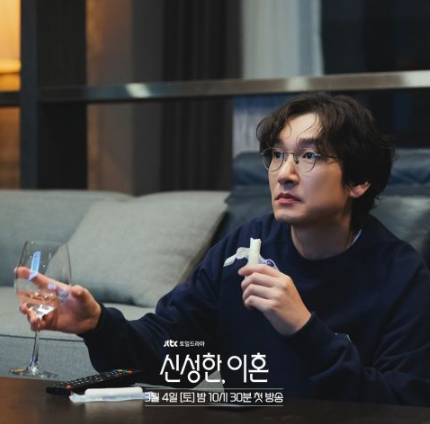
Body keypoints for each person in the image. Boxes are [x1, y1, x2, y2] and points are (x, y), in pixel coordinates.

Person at [19, 92, 430, 406]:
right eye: (277, 155)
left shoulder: (401, 275)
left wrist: (304, 328)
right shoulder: (243, 249)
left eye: (308, 156)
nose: (284, 174)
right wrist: (98, 324)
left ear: (358, 181)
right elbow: (174, 360)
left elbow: (403, 404)